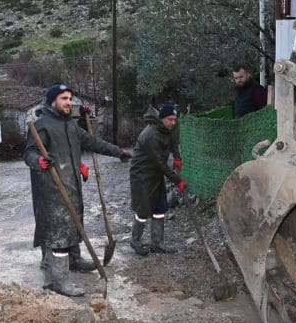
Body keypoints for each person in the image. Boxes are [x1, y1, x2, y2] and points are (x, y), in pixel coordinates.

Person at [24, 83, 130, 297]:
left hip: (72, 184)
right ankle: (59, 281)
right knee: (60, 234)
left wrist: (118, 151)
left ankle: (74, 260)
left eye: (70, 99)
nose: (69, 102)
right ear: (53, 101)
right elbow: (29, 153)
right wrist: (39, 161)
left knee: (74, 223)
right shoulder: (43, 125)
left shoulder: (70, 125)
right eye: (64, 99)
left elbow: (92, 142)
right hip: (52, 190)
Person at [129, 104, 186, 256]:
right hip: (142, 175)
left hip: (156, 173)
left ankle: (157, 243)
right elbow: (160, 163)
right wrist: (178, 180)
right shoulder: (151, 135)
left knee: (160, 207)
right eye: (170, 119)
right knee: (143, 209)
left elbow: (173, 142)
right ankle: (135, 240)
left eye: (175, 119)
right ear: (162, 119)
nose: (173, 122)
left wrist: (177, 157)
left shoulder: (168, 129)